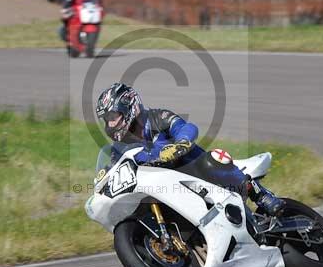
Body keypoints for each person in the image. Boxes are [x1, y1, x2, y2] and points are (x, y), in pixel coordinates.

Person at [95, 82, 286, 217]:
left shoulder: (157, 117)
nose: (110, 124)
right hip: (164, 188)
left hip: (193, 170)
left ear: (128, 106)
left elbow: (185, 127)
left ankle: (260, 195)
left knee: (213, 158)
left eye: (113, 117)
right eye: (107, 120)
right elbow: (114, 170)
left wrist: (180, 144)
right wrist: (102, 180)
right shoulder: (119, 148)